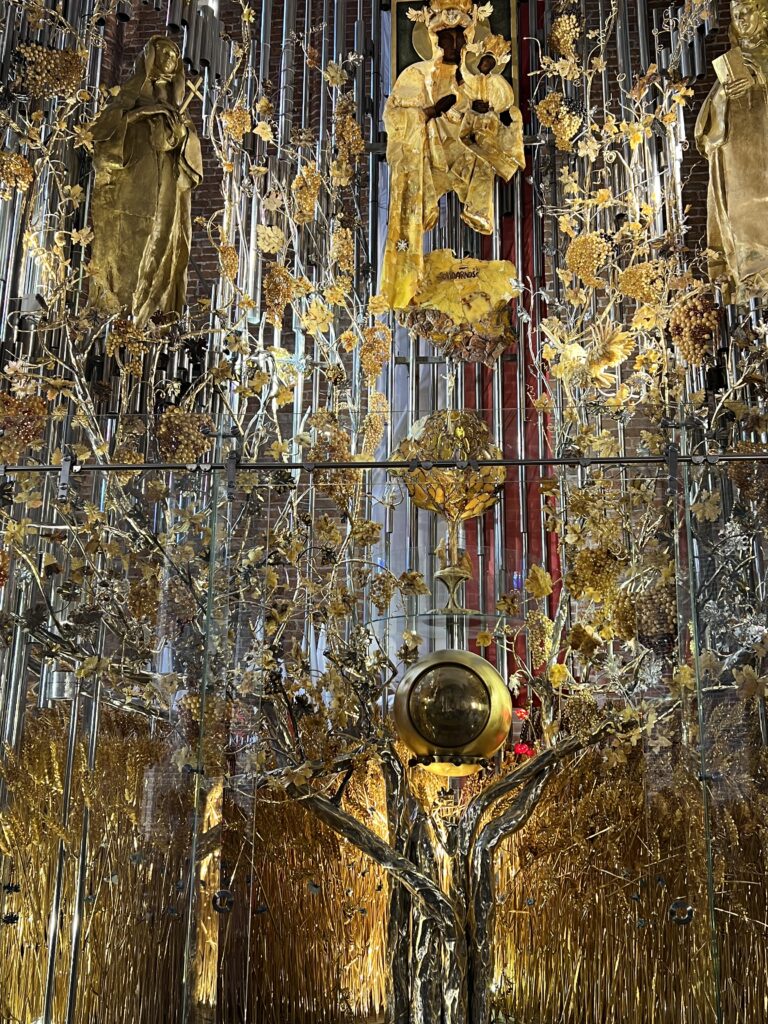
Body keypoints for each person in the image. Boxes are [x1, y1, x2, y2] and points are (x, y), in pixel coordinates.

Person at [380, 1, 523, 309]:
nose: (455, 44)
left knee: (483, 152)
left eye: (460, 37)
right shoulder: (416, 74)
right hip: (429, 152)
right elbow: (394, 117)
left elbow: (498, 104)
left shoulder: (474, 77)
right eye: (448, 37)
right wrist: (429, 112)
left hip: (466, 150)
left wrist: (484, 111)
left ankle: (477, 214)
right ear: (435, 39)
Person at [88, 36, 203, 324]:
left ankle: (150, 319)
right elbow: (102, 141)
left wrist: (180, 134)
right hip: (131, 189)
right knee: (127, 248)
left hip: (166, 187)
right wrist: (141, 113)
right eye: (163, 52)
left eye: (174, 56)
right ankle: (116, 317)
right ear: (149, 56)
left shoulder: (179, 108)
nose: (169, 59)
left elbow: (191, 157)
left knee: (162, 243)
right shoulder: (129, 97)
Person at [695, 0, 768, 303]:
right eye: (736, 14)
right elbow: (706, 132)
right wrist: (724, 94)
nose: (741, 18)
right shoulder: (733, 63)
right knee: (739, 221)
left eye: (746, 11)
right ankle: (751, 284)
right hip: (739, 160)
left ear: (762, 14)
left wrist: (760, 77)